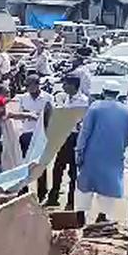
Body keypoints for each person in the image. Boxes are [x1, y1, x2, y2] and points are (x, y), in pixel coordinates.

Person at [75, 83, 128, 222]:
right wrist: (120, 148)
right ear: (118, 94)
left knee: (85, 186)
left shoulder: (95, 107)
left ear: (103, 92)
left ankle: (80, 216)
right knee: (109, 186)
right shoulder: (127, 112)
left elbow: (85, 132)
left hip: (92, 154)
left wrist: (79, 151)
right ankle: (102, 217)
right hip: (114, 155)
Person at [46, 75, 90, 210]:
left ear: (72, 85)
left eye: (65, 84)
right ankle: (53, 197)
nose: (63, 87)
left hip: (74, 138)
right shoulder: (65, 98)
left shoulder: (82, 101)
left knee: (73, 171)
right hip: (63, 137)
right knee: (58, 168)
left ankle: (71, 202)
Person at [12, 74, 54, 198]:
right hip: (26, 133)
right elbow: (19, 113)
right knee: (25, 163)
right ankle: (23, 189)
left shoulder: (47, 98)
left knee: (40, 164)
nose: (28, 89)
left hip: (41, 135)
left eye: (30, 85)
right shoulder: (23, 98)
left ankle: (42, 191)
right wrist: (29, 115)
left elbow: (50, 115)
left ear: (37, 85)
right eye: (27, 86)